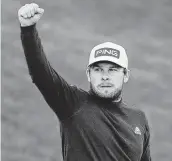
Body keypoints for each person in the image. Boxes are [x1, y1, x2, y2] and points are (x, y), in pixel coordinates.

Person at [18, 3, 151, 161]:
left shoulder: (139, 119)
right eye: (98, 69)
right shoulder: (73, 104)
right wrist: (28, 30)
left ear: (126, 75)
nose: (105, 76)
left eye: (113, 70)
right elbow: (40, 74)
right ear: (88, 74)